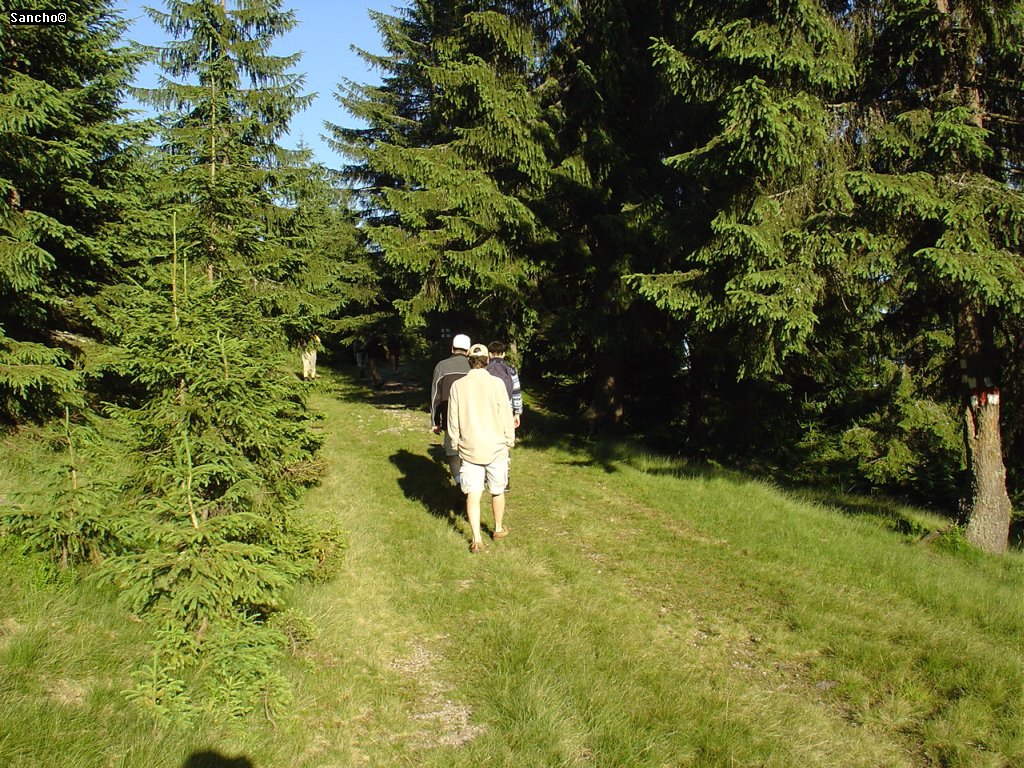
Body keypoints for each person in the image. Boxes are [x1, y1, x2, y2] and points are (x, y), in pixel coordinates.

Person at [447, 343, 515, 553]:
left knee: (473, 494)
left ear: (469, 360)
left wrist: (455, 441)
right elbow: (505, 413)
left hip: (470, 448)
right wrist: (509, 439)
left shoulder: (458, 385)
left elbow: (453, 418)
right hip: (495, 447)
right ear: (487, 360)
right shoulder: (496, 384)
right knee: (497, 490)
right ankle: (497, 528)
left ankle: (476, 539)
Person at [430, 332, 472, 486]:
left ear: (452, 348)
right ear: (468, 351)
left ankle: (460, 483)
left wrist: (435, 421)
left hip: (450, 418)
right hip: (472, 419)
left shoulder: (441, 366)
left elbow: (435, 395)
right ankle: (470, 483)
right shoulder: (474, 366)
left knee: (453, 453)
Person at [486, 341, 523, 490]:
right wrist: (517, 413)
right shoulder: (511, 370)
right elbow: (516, 392)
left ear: (489, 354)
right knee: (504, 444)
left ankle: (486, 474)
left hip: (488, 410)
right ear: (503, 354)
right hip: (506, 410)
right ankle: (504, 478)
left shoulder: (485, 369)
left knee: (488, 440)